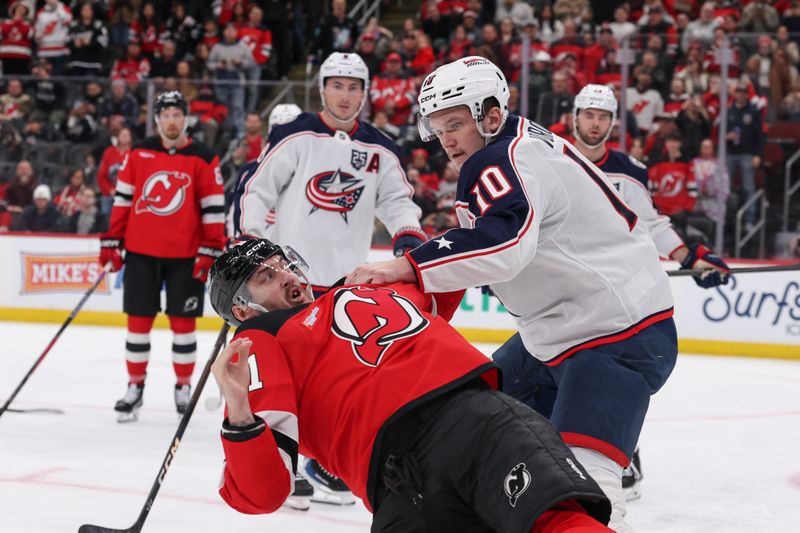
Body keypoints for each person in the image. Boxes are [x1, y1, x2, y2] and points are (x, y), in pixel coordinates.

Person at [346, 57, 677, 532]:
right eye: (439, 130)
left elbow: (505, 246)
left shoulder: (500, 157)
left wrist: (408, 265)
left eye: (456, 124)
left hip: (613, 336)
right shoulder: (517, 144)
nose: (448, 141)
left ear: (491, 115)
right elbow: (494, 249)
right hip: (558, 333)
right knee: (468, 421)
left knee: (585, 490)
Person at [208, 238, 613, 532]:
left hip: (469, 420)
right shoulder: (260, 338)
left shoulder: (368, 282)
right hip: (404, 480)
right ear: (243, 310)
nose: (286, 276)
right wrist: (240, 413)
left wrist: (408, 260)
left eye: (285, 264)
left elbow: (458, 269)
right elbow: (264, 493)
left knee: (557, 522)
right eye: (267, 275)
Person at [234, 52, 425, 506]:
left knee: (332, 380)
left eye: (353, 86)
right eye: (337, 85)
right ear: (322, 89)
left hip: (343, 283)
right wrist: (250, 243)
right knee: (285, 379)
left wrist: (407, 234)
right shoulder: (296, 133)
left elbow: (398, 201)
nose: (345, 95)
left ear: (365, 92)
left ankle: (320, 462)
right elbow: (257, 188)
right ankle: (284, 463)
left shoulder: (380, 147)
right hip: (287, 283)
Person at [566, 83, 730, 501]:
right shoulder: (554, 158)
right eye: (589, 114)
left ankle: (622, 457)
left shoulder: (629, 170)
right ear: (575, 116)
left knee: (609, 377)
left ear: (613, 122)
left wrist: (689, 255)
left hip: (613, 293)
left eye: (603, 116)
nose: (595, 123)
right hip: (565, 288)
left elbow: (651, 225)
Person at [99, 90, 226, 423]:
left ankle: (182, 387)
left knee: (183, 327)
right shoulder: (139, 152)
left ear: (186, 118)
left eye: (177, 114)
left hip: (186, 256)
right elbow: (123, 199)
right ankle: (134, 387)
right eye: (166, 115)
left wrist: (212, 246)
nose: (172, 121)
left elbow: (213, 208)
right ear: (158, 120)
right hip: (141, 253)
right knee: (137, 325)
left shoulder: (203, 157)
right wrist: (113, 239)